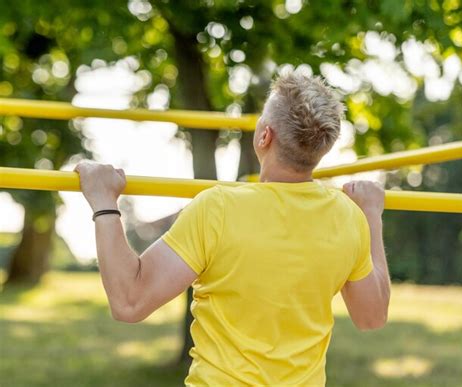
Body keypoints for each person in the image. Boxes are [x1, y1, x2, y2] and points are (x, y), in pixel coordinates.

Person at [74, 71, 390, 386]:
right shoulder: (348, 217)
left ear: (265, 136)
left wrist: (104, 201)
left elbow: (130, 301)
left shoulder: (219, 209)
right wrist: (372, 215)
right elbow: (371, 318)